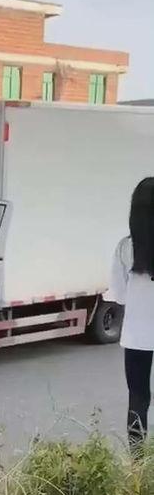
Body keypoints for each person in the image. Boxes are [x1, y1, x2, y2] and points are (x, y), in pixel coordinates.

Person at [109, 176, 154, 452]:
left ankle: (138, 463)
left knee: (137, 397)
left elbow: (120, 295)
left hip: (137, 335)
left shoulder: (125, 248)